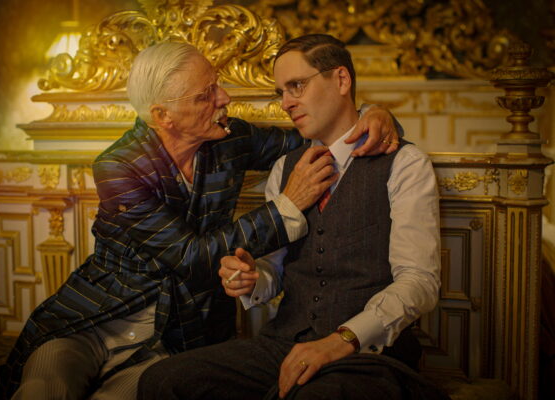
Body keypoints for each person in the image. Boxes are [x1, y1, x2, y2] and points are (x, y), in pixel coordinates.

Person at [0, 41, 400, 400]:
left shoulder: (231, 139)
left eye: (217, 84)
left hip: (175, 337)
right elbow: (190, 256)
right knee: (43, 389)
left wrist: (373, 115)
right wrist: (287, 206)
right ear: (163, 115)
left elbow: (326, 129)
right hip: (94, 322)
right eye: (206, 96)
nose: (224, 98)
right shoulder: (118, 167)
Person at [137, 34, 446, 400]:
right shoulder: (285, 167)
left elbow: (420, 281)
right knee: (162, 381)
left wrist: (343, 339)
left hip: (367, 353)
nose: (285, 103)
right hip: (284, 342)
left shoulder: (405, 163)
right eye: (281, 92)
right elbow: (275, 270)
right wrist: (253, 278)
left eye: (296, 86)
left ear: (341, 80)